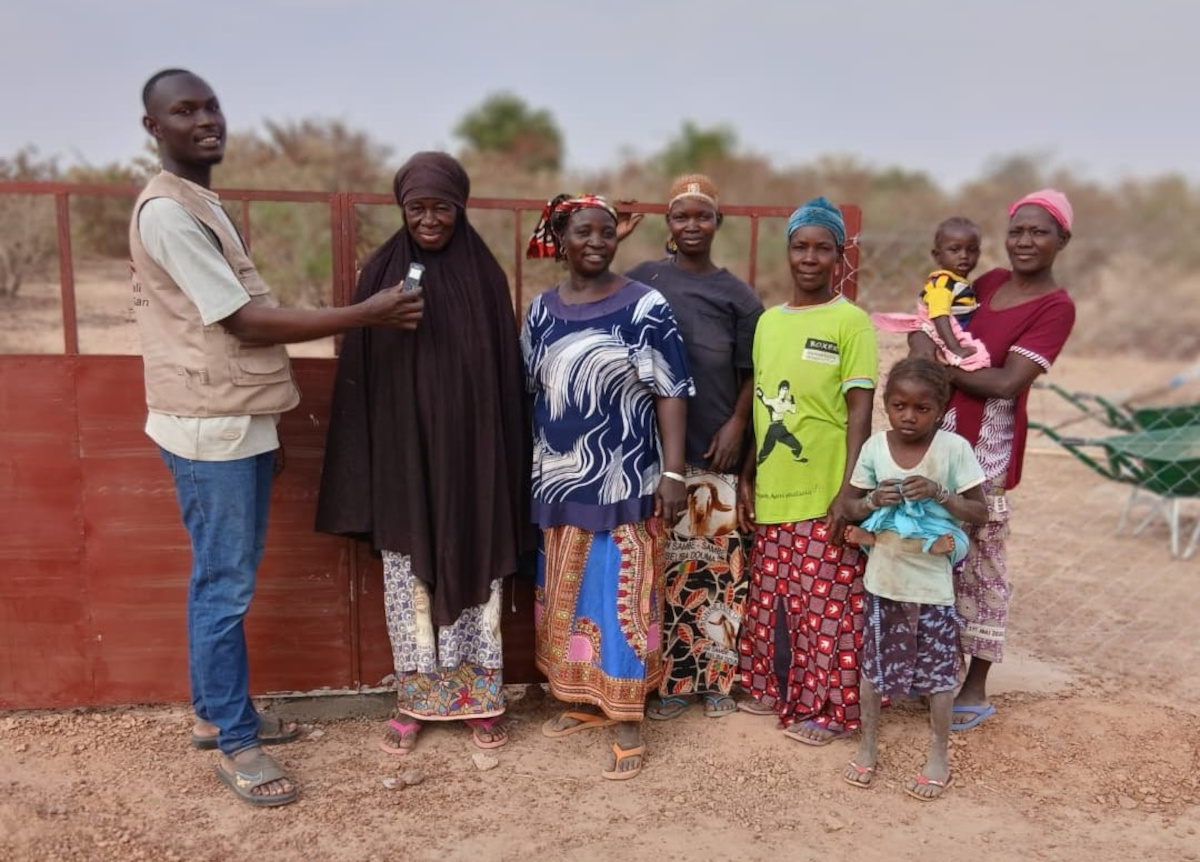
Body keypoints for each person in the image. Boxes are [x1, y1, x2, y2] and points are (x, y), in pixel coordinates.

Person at [130, 69, 423, 806]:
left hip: (236, 418)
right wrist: (368, 313)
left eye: (211, 107)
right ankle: (234, 739)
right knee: (222, 587)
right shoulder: (167, 212)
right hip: (207, 428)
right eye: (184, 112)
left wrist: (266, 422)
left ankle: (214, 713)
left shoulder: (202, 202)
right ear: (153, 128)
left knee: (223, 579)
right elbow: (245, 321)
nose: (206, 121)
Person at [315, 152, 528, 756]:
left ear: (461, 207)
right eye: (417, 208)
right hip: (406, 458)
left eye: (442, 208)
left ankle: (479, 702)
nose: (429, 219)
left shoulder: (483, 275)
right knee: (409, 579)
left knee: (475, 568)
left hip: (471, 459)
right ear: (401, 209)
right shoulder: (380, 270)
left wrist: (489, 451)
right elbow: (365, 374)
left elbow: (500, 377)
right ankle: (416, 702)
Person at [523, 193, 693, 779]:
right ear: (560, 239)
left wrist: (672, 473)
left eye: (605, 232)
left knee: (625, 594)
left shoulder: (646, 306)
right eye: (582, 232)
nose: (595, 241)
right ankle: (584, 699)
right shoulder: (541, 311)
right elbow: (532, 391)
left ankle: (627, 717)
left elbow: (671, 390)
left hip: (628, 479)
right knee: (569, 597)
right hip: (559, 480)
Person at [908, 188, 1077, 732]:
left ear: (1062, 241)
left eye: (1039, 232)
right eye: (1017, 231)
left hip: (986, 454)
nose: (1025, 242)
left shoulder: (1056, 306)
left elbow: (1005, 384)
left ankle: (975, 686)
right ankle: (928, 670)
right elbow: (927, 321)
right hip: (938, 436)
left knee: (982, 568)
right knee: (930, 553)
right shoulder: (986, 284)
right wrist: (929, 350)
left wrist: (940, 368)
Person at [736, 196, 878, 745]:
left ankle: (835, 713)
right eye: (801, 246)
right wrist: (748, 475)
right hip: (774, 490)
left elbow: (860, 413)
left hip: (825, 493)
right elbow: (762, 407)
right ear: (788, 251)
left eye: (824, 248)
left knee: (830, 609)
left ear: (841, 257)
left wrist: (851, 491)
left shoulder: (851, 323)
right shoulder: (769, 323)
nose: (811, 258)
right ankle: (773, 689)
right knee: (774, 602)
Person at [624, 174, 763, 721]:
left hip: (714, 448)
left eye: (702, 216)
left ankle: (717, 680)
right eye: (681, 215)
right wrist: (613, 232)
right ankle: (674, 681)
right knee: (663, 571)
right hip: (648, 454)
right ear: (668, 224)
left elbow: (753, 372)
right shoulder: (642, 281)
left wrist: (735, 425)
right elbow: (590, 283)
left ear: (717, 223)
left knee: (717, 571)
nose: (691, 225)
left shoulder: (737, 295)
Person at [840, 357, 988, 801]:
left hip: (932, 586)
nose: (909, 416)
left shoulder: (954, 449)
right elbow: (848, 504)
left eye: (922, 408)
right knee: (874, 671)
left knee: (939, 676)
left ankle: (938, 755)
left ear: (940, 409)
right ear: (886, 404)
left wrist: (941, 493)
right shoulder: (874, 449)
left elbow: (980, 511)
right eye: (899, 405)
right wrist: (871, 501)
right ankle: (868, 747)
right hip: (883, 580)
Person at [872, 217, 989, 368]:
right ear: (937, 256)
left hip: (950, 335)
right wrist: (955, 348)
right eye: (955, 249)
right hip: (934, 333)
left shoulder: (960, 284)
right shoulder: (943, 284)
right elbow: (940, 316)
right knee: (923, 363)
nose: (964, 255)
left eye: (971, 250)